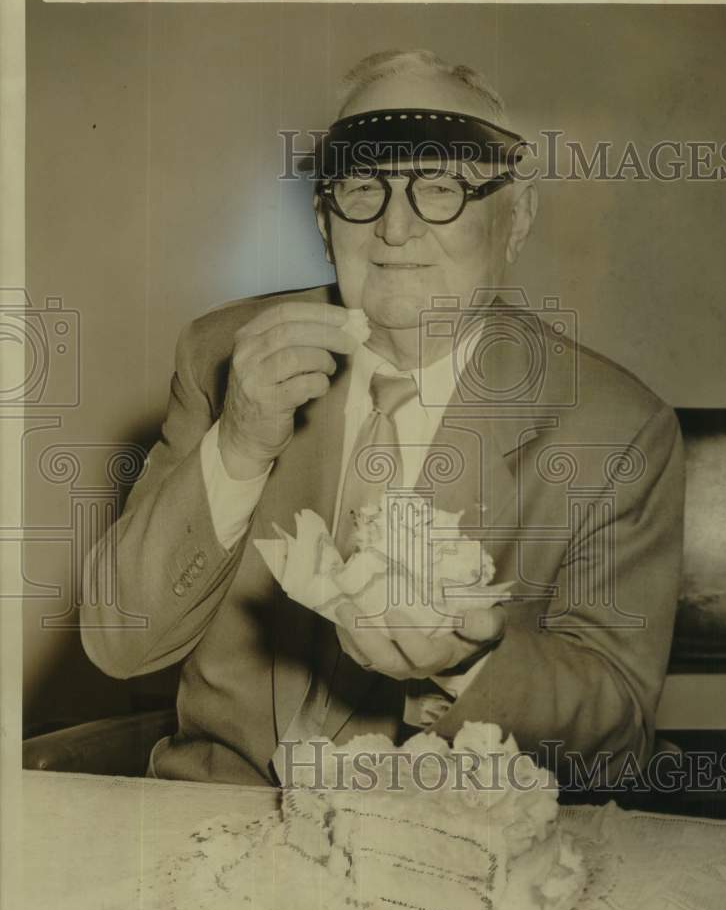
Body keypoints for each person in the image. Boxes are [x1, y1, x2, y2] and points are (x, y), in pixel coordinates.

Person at [81, 50, 684, 787]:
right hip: (215, 819)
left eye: (440, 187)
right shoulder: (222, 357)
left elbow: (617, 738)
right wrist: (238, 444)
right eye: (363, 187)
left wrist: (469, 662)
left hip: (450, 843)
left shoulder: (616, 428)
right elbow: (120, 642)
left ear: (516, 218)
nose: (395, 228)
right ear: (323, 216)